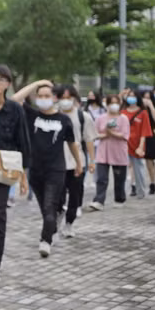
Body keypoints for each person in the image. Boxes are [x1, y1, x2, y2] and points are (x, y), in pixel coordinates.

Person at [12, 80, 82, 258]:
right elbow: (14, 100)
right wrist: (38, 83)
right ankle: (54, 223)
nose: (43, 99)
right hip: (36, 170)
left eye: (47, 96)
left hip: (56, 169)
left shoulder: (64, 120)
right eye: (40, 96)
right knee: (45, 208)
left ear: (55, 98)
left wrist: (79, 163)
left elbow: (72, 144)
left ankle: (45, 240)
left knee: (49, 206)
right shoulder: (31, 115)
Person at [0, 64, 31, 286]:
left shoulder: (15, 110)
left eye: (1, 79)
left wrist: (23, 176)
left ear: (8, 84)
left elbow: (24, 143)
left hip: (5, 171)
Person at [54, 85, 96, 237]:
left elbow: (89, 140)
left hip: (77, 162)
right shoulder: (53, 115)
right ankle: (58, 215)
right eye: (62, 98)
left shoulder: (83, 116)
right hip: (57, 162)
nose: (65, 101)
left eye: (68, 97)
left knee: (75, 195)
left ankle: (69, 224)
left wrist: (92, 160)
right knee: (57, 195)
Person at [89, 94, 130, 210]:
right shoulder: (100, 118)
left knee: (119, 178)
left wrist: (113, 134)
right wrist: (106, 134)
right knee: (101, 178)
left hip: (119, 152)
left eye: (116, 103)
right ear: (106, 105)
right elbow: (95, 134)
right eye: (111, 103)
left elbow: (125, 135)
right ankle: (99, 201)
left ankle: (119, 198)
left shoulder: (123, 118)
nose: (114, 106)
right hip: (103, 151)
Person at [123, 88, 152, 199]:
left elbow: (145, 132)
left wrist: (141, 146)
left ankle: (141, 191)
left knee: (139, 169)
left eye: (133, 96)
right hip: (124, 144)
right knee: (122, 170)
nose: (131, 98)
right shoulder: (123, 112)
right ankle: (122, 192)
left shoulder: (143, 113)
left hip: (137, 145)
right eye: (129, 96)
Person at [138, 89, 155, 194]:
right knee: (135, 161)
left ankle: (152, 183)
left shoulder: (154, 108)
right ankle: (136, 185)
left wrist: (151, 106)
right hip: (137, 136)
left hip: (150, 136)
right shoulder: (137, 108)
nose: (146, 100)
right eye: (144, 97)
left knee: (149, 162)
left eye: (149, 98)